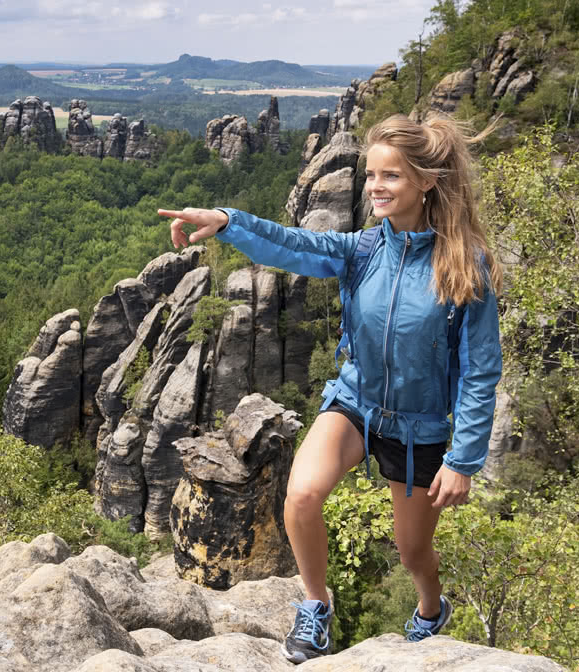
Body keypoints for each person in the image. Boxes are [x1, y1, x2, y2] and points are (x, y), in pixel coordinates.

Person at [158, 114, 502, 662]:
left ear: (426, 181)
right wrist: (226, 220)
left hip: (419, 428)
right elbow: (291, 243)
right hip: (356, 402)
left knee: (413, 552)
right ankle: (315, 607)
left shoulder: (464, 265)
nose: (376, 187)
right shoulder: (362, 251)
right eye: (371, 176)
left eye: (391, 176)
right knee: (301, 494)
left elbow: (481, 371)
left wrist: (463, 459)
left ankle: (432, 609)